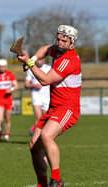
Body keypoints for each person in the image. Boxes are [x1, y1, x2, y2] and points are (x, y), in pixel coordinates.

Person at [18, 25, 81, 187]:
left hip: (68, 108)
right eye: (58, 39)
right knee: (34, 147)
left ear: (72, 43)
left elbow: (45, 80)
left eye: (64, 40)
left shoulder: (69, 60)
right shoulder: (57, 50)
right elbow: (45, 49)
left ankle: (57, 180)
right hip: (54, 108)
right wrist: (32, 59)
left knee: (46, 135)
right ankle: (42, 184)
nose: (59, 43)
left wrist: (30, 65)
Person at [0, 59, 18, 142]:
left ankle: (7, 135)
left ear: (6, 67)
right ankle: (0, 132)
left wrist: (11, 89)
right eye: (1, 66)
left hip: (8, 100)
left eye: (4, 66)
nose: (2, 68)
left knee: (7, 119)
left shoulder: (10, 75)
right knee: (0, 118)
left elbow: (16, 86)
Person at [25, 58, 51, 136]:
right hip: (36, 96)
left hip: (47, 96)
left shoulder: (49, 68)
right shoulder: (31, 69)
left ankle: (38, 132)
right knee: (38, 118)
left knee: (46, 118)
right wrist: (34, 85)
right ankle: (37, 138)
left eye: (41, 60)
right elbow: (26, 84)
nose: (40, 61)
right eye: (38, 60)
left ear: (44, 60)